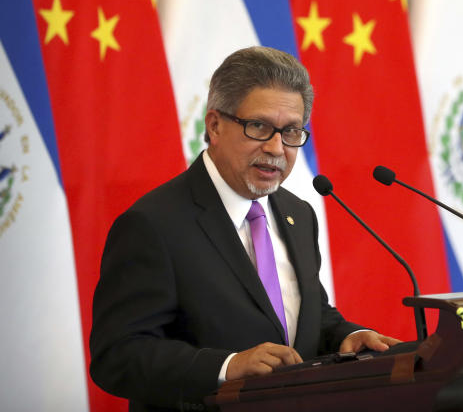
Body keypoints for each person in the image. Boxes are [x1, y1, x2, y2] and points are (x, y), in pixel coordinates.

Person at [90, 47, 399, 411]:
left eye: (291, 131)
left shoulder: (297, 213)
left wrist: (348, 335)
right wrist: (227, 366)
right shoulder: (153, 225)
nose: (276, 148)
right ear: (215, 126)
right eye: (260, 127)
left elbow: (305, 312)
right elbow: (118, 355)